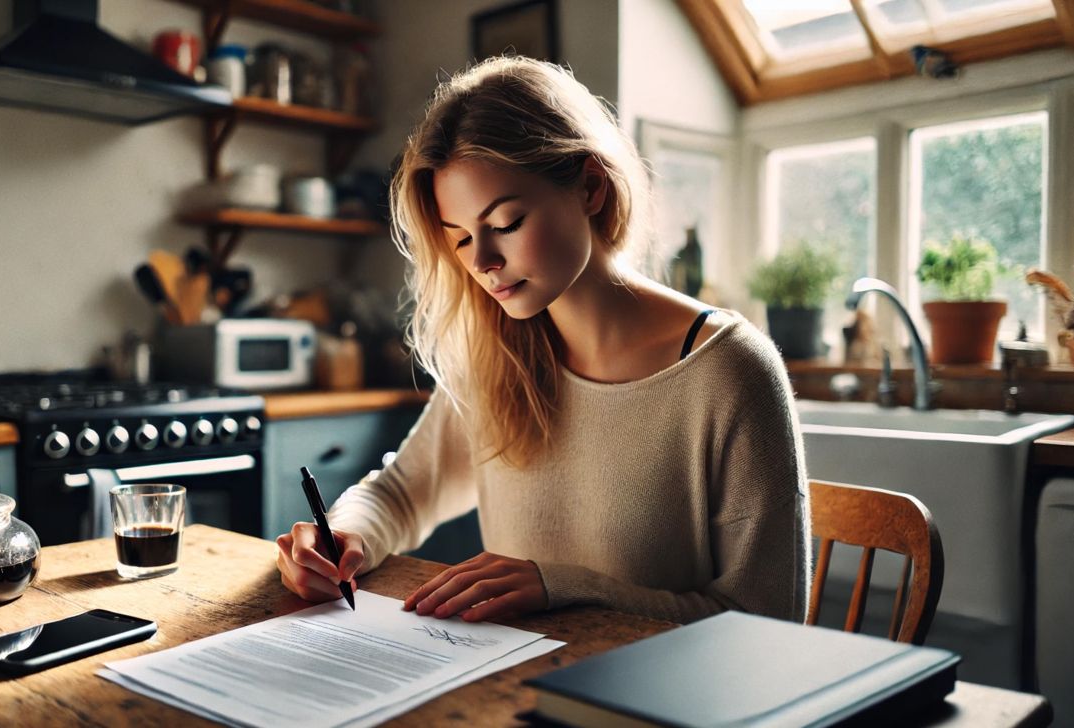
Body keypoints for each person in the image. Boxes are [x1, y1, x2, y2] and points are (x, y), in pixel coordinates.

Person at [276, 56, 810, 625]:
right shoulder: (496, 351)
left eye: (505, 224)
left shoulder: (729, 370)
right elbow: (400, 493)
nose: (482, 262)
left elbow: (768, 618)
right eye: (459, 239)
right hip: (511, 689)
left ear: (591, 188)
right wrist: (342, 537)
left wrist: (566, 587)